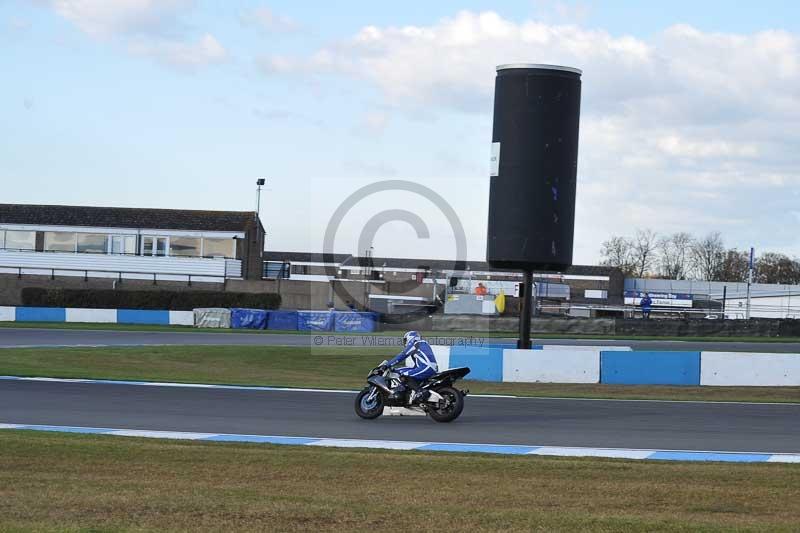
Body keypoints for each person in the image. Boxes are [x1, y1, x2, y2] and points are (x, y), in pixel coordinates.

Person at [383, 331, 438, 403]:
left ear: (410, 338)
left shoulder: (415, 344)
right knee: (403, 373)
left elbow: (402, 355)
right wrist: (397, 370)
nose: (405, 342)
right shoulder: (422, 343)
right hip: (428, 367)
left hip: (426, 368)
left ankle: (420, 392)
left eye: (405, 340)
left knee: (404, 376)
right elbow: (415, 366)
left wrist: (387, 365)